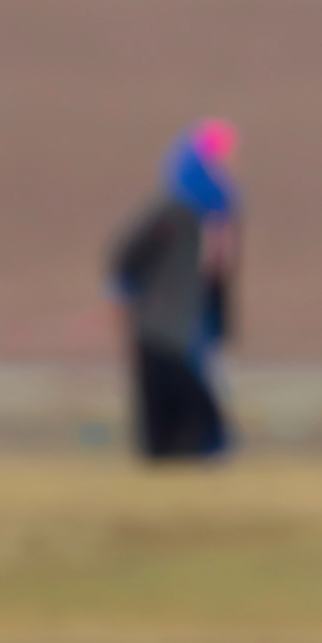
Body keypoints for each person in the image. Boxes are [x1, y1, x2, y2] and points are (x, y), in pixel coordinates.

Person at [109, 119, 240, 461]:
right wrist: (124, 292)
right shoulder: (171, 213)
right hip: (162, 321)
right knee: (167, 392)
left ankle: (202, 449)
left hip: (196, 319)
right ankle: (175, 452)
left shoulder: (221, 214)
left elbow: (218, 274)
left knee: (195, 388)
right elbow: (126, 255)